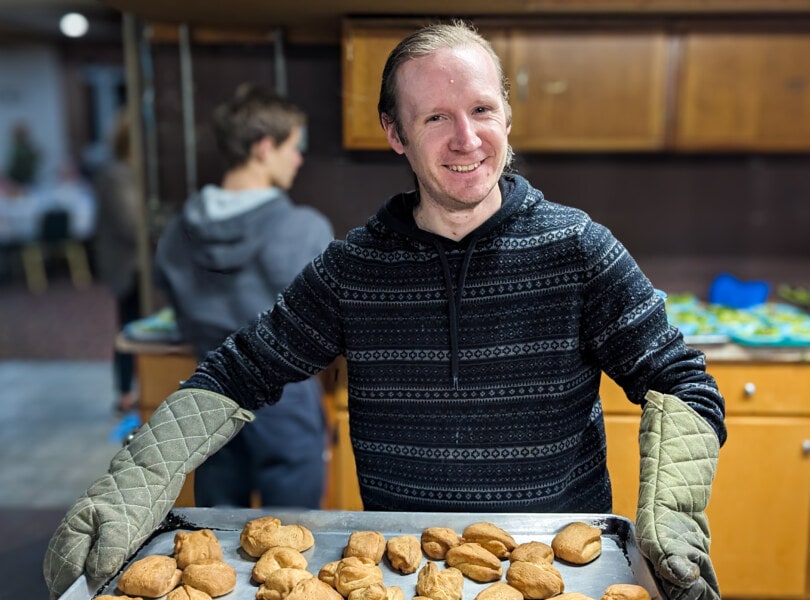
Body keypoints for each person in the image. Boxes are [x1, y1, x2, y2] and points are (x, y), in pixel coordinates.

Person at [44, 21, 726, 600]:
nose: (466, 139)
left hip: (551, 570)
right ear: (394, 133)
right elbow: (237, 370)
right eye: (435, 117)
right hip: (406, 570)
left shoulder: (578, 249)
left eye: (483, 110)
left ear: (508, 116)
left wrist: (670, 517)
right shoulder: (353, 269)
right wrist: (131, 486)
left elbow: (682, 381)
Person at [153, 83, 333, 508]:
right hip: (286, 410)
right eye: (295, 145)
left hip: (208, 406)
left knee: (211, 554)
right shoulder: (303, 228)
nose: (299, 158)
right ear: (264, 148)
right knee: (289, 553)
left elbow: (178, 311)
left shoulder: (178, 230)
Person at [92, 110, 141, 413]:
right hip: (129, 267)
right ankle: (125, 390)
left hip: (136, 265)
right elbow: (131, 224)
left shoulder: (132, 172)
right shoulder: (117, 174)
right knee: (130, 328)